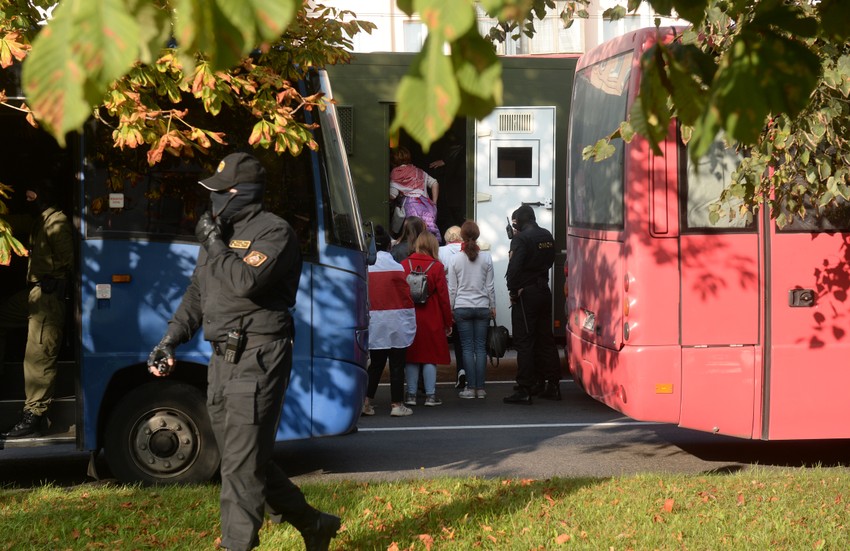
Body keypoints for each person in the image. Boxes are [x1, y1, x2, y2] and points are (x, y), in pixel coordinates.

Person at [145, 152, 339, 551]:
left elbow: (245, 281)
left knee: (240, 465)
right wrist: (170, 339)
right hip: (222, 359)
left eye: (222, 192)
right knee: (244, 457)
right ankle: (314, 523)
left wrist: (216, 245)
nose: (214, 200)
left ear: (243, 193)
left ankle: (236, 545)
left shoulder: (274, 233)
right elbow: (199, 293)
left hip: (258, 355)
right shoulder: (217, 233)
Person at [0, 179, 74, 438]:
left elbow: (68, 262)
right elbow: (15, 222)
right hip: (34, 292)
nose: (27, 196)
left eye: (32, 192)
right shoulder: (40, 219)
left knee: (39, 355)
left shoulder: (56, 222)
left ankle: (34, 415)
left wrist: (57, 282)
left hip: (48, 296)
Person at [503, 204, 562, 405]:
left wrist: (513, 290)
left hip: (526, 294)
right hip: (543, 291)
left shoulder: (520, 239)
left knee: (524, 341)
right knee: (545, 339)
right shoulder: (546, 235)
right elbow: (550, 261)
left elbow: (514, 268)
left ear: (519, 221)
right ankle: (552, 384)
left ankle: (525, 388)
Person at [362, 225, 416, 418]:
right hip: (396, 322)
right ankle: (396, 404)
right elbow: (405, 296)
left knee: (375, 364)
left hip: (375, 322)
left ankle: (365, 401)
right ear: (388, 246)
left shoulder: (365, 267)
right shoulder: (397, 267)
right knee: (397, 364)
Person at [402, 232, 453, 407]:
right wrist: (448, 322)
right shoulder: (437, 267)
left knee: (411, 356)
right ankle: (431, 396)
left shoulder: (404, 264)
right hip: (432, 316)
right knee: (429, 357)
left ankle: (410, 395)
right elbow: (444, 298)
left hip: (410, 316)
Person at [448, 221, 496, 400]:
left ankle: (470, 387)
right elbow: (490, 286)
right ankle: (481, 388)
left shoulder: (455, 259)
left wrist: (451, 308)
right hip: (482, 306)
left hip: (462, 307)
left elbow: (452, 288)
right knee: (481, 348)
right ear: (477, 235)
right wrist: (493, 306)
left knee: (467, 348)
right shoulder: (486, 258)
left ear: (462, 235)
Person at [390, 146, 441, 243]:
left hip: (412, 210)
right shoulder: (419, 171)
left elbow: (393, 194)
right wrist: (434, 203)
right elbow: (435, 183)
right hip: (428, 207)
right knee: (430, 234)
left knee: (415, 236)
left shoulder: (395, 173)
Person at [438, 225, 467, 390]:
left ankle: (424, 383)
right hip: (465, 300)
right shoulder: (467, 251)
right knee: (466, 342)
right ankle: (465, 372)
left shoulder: (441, 252)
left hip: (447, 300)